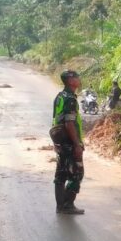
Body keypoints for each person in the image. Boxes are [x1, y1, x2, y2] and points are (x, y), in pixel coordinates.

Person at [51, 70, 86, 214]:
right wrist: (77, 144)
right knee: (77, 173)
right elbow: (69, 123)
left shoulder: (59, 96)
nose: (79, 78)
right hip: (70, 143)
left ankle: (60, 206)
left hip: (60, 141)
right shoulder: (70, 98)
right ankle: (68, 204)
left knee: (60, 175)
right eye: (76, 77)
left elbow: (55, 120)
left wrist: (55, 142)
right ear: (71, 81)